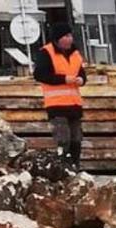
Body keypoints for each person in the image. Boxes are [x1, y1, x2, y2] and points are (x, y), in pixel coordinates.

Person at [33, 24, 86, 169]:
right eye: (66, 36)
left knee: (76, 139)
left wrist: (81, 80)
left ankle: (75, 166)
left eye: (70, 36)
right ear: (58, 39)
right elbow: (40, 75)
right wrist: (64, 79)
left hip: (74, 105)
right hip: (57, 106)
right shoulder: (46, 53)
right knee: (64, 139)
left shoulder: (75, 54)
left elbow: (81, 73)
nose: (70, 39)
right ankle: (63, 168)